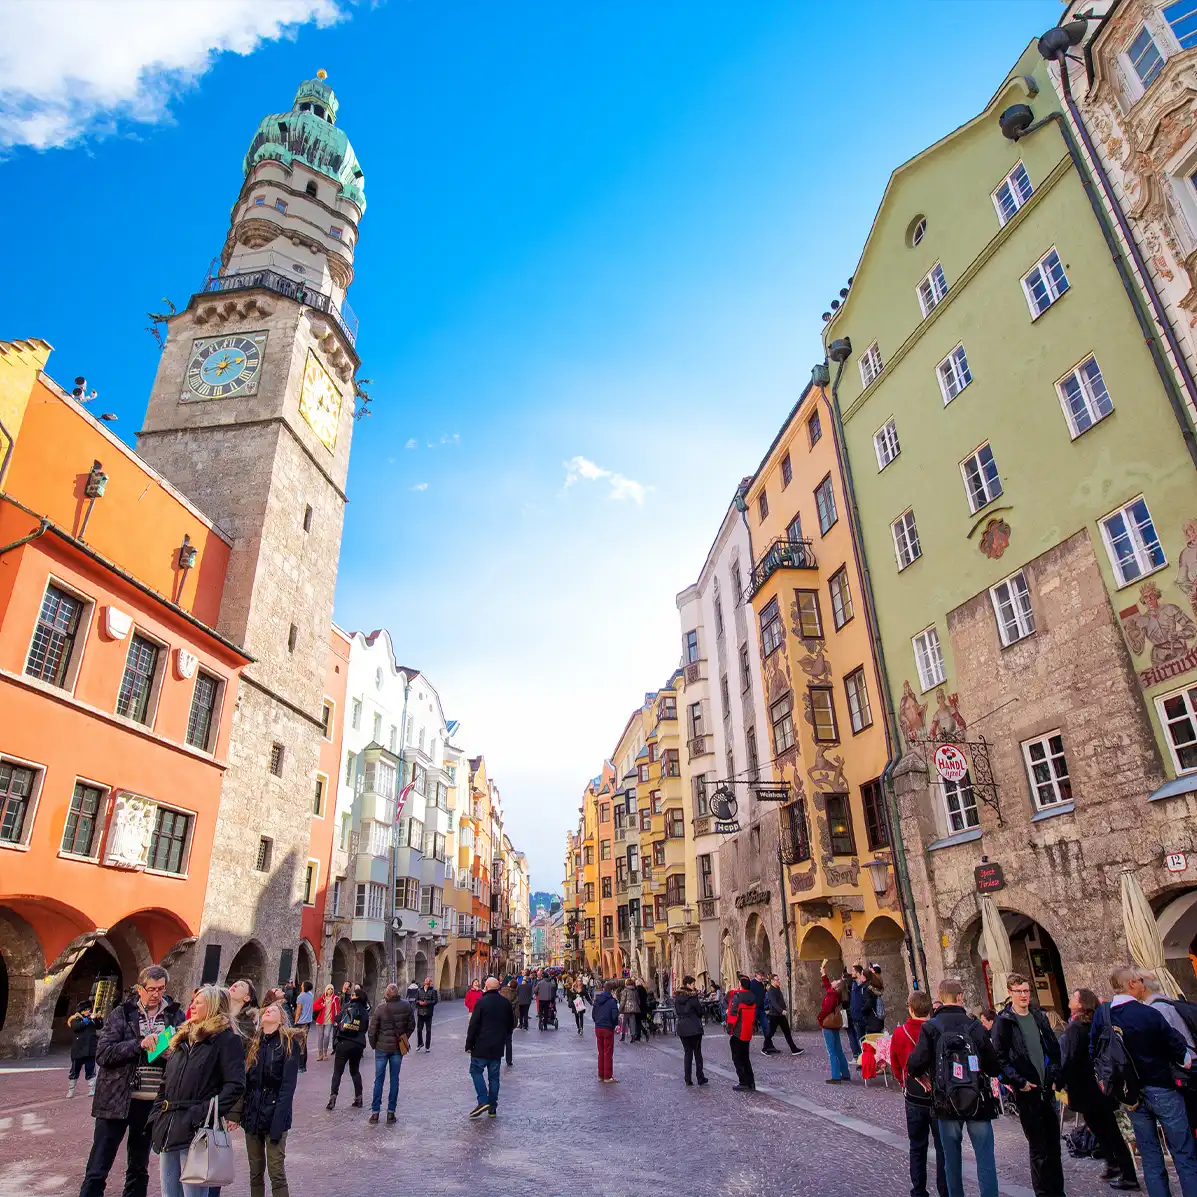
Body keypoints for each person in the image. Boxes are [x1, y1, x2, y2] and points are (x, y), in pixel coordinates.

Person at [81, 964, 185, 1197]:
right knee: (99, 1165)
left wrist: (171, 1054)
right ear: (140, 989)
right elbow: (103, 1054)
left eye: (161, 989)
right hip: (116, 1099)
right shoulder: (122, 1013)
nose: (156, 994)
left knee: (139, 1166)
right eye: (151, 989)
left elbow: (185, 1053)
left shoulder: (174, 1014)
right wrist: (138, 1044)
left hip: (151, 1102)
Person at [1100, 965, 1197, 1197]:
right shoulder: (1149, 1013)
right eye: (1139, 980)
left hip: (1131, 1093)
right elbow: (1182, 1054)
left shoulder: (1105, 1017)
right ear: (1131, 984)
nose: (1142, 984)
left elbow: (1097, 1052)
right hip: (1161, 1087)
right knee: (1184, 1155)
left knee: (1151, 1157)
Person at [906, 978, 1000, 1197]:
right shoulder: (975, 1026)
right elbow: (994, 1067)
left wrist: (922, 1076)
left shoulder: (931, 1027)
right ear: (960, 997)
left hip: (945, 1101)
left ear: (940, 996)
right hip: (978, 1099)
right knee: (985, 1159)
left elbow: (914, 1063)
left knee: (951, 1160)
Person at [150, 985, 245, 1197]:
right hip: (169, 1124)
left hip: (197, 1129)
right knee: (170, 1192)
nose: (192, 1006)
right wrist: (157, 1114)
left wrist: (200, 1113)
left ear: (211, 1006)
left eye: (198, 1003)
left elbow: (236, 1085)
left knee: (193, 1192)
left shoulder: (226, 1040)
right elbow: (166, 1081)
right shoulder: (182, 1039)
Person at [991, 972, 1064, 1197]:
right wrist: (1019, 1082)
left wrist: (1054, 1077)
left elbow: (1053, 1049)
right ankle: (1043, 1193)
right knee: (1038, 1148)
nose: (1024, 995)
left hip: (1046, 1089)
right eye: (1019, 991)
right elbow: (1000, 1059)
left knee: (1054, 1147)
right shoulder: (1004, 1021)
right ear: (1010, 993)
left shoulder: (1038, 1017)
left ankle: (1058, 1192)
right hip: (1027, 1092)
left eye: (1026, 991)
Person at [1058, 988, 1138, 1191]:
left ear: (1082, 1003)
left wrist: (1059, 1080)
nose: (1070, 1000)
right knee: (1102, 1128)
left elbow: (1069, 1058)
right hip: (1097, 1086)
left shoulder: (1077, 1027)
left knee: (1108, 1130)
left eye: (1074, 997)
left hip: (1088, 1087)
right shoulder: (1093, 1023)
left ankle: (1128, 1174)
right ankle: (1113, 1164)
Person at [890, 990, 948, 1197]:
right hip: (938, 1094)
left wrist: (902, 1082)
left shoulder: (900, 1033)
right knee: (943, 1149)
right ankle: (945, 1191)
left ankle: (919, 1191)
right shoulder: (938, 1030)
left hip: (914, 1095)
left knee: (917, 1146)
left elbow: (895, 1064)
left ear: (911, 1009)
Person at [241, 1001, 300, 1197]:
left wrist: (278, 1123)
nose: (268, 1011)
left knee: (277, 1173)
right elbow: (245, 1081)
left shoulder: (289, 1044)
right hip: (253, 1115)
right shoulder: (254, 1042)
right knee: (255, 1172)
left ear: (281, 1019)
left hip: (275, 1115)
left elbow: (287, 1088)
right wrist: (240, 1114)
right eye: (266, 1009)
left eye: (273, 1010)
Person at [464, 977, 516, 1118]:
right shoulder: (505, 1003)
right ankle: (492, 1108)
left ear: (486, 987)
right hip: (497, 1046)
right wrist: (504, 1036)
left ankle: (483, 1100)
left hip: (481, 1045)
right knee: (494, 1078)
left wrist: (469, 1044)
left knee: (476, 1071)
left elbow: (473, 1025)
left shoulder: (481, 1002)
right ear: (498, 987)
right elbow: (511, 1024)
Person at [366, 983, 414, 1124]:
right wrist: (404, 1038)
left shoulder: (381, 1008)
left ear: (386, 994)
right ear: (398, 993)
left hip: (381, 1048)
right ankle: (391, 1113)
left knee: (378, 1080)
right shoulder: (406, 1006)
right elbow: (412, 1025)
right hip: (397, 1049)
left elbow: (372, 1030)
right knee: (394, 1080)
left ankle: (375, 1113)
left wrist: (374, 1044)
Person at [326, 984, 368, 1111]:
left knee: (337, 1072)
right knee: (355, 1071)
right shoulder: (365, 1011)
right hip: (358, 1044)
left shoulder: (347, 1006)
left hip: (344, 1042)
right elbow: (365, 1027)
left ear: (356, 997)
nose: (352, 995)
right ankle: (359, 1098)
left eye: (354, 994)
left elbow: (337, 1018)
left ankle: (333, 1098)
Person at [817, 963, 851, 1084]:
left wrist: (819, 1018)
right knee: (838, 1049)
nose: (834, 981)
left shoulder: (832, 996)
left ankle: (836, 1076)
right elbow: (827, 985)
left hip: (828, 1024)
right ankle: (845, 1073)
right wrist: (823, 974)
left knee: (832, 1051)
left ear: (836, 987)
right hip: (834, 1024)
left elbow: (826, 1010)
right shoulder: (835, 993)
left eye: (835, 981)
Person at [674, 975, 708, 1087]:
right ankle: (700, 1077)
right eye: (693, 984)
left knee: (687, 1053)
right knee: (697, 1053)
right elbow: (700, 1012)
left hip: (682, 1027)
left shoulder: (677, 998)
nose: (694, 986)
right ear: (688, 985)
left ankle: (687, 1078)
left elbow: (678, 1012)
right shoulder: (693, 998)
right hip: (694, 1027)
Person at [726, 974, 757, 1092]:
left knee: (737, 1058)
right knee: (746, 1057)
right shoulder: (752, 997)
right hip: (747, 1031)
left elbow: (733, 1015)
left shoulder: (738, 997)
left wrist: (729, 1028)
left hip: (738, 1032)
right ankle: (751, 1082)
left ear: (740, 985)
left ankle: (743, 1081)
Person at [762, 974, 803, 1056]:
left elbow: (780, 1000)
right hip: (774, 1015)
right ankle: (764, 1048)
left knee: (787, 1032)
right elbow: (774, 1003)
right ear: (772, 981)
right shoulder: (771, 991)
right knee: (771, 1033)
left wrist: (784, 1007)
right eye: (777, 980)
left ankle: (793, 1049)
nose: (778, 981)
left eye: (778, 979)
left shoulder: (778, 989)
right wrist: (781, 1010)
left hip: (781, 1015)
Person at [68, 1000, 103, 1098]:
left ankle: (91, 1089)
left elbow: (99, 1026)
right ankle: (71, 1090)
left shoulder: (91, 1019)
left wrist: (98, 1018)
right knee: (75, 1070)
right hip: (78, 1050)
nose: (88, 1011)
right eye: (86, 1010)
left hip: (90, 1050)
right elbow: (78, 1027)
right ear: (81, 1011)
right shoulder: (75, 1019)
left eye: (88, 1009)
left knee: (90, 1070)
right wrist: (88, 1019)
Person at [593, 980, 620, 1082]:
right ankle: (607, 1076)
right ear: (611, 991)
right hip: (607, 1028)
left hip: (598, 1027)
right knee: (608, 1052)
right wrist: (613, 1025)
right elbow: (614, 1016)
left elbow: (593, 1014)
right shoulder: (612, 1001)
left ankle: (600, 1074)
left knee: (601, 1052)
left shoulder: (597, 1000)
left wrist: (598, 1022)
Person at [312, 985, 339, 1062]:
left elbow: (337, 1009)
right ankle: (320, 1054)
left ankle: (325, 1053)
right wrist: (321, 1006)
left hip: (329, 1021)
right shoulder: (322, 998)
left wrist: (337, 1020)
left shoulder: (335, 999)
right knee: (320, 1037)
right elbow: (314, 1006)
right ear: (326, 990)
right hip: (320, 1020)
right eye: (328, 989)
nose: (330, 990)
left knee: (327, 1036)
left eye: (331, 989)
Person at [293, 981, 313, 1073]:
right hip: (308, 1021)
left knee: (300, 1044)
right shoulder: (310, 994)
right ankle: (303, 1065)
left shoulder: (301, 996)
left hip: (301, 1022)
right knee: (304, 1044)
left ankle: (301, 1066)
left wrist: (295, 1021)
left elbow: (298, 1010)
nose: (301, 986)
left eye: (302, 985)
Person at [415, 978, 439, 1052]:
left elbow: (435, 1001)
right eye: (425, 981)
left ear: (430, 983)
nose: (426, 982)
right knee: (419, 1029)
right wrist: (419, 1002)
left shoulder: (433, 991)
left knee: (428, 1030)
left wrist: (427, 1003)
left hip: (428, 1013)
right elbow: (416, 1000)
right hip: (420, 1013)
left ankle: (427, 1046)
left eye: (428, 981)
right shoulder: (419, 990)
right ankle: (420, 1043)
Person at [500, 976, 518, 1066]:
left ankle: (498, 1057)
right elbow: (517, 1012)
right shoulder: (516, 995)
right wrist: (515, 1023)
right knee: (508, 1041)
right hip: (510, 1020)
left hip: (500, 1019)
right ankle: (509, 1060)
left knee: (499, 1040)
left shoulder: (502, 992)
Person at [619, 978, 640, 1043]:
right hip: (634, 1009)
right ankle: (633, 1037)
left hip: (626, 1009)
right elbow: (638, 1000)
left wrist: (620, 1009)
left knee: (624, 1023)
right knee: (632, 1022)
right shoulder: (635, 991)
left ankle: (623, 1036)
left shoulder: (625, 990)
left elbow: (623, 1001)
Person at [750, 971, 769, 1038]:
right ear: (756, 975)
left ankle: (768, 1045)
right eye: (761, 975)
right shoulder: (751, 983)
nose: (763, 977)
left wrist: (766, 990)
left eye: (763, 976)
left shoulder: (761, 984)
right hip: (754, 1007)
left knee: (766, 1026)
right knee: (749, 1024)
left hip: (761, 1008)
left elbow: (762, 994)